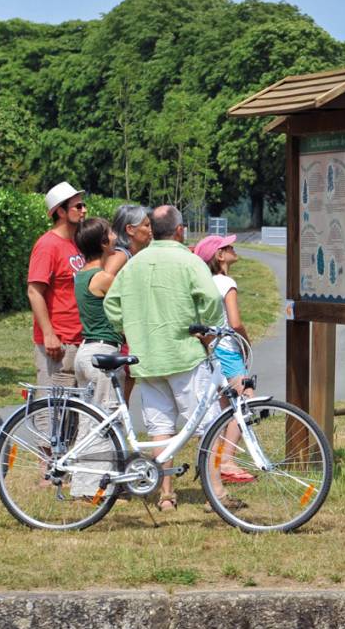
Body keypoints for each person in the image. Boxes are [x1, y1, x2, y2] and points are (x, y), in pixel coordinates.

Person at [103, 205, 227, 512]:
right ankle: (216, 493)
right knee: (207, 423)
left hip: (146, 357)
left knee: (160, 426)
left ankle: (166, 493)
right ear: (180, 230)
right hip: (184, 352)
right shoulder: (189, 260)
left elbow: (112, 304)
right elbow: (211, 299)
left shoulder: (135, 262)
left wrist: (130, 328)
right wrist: (207, 330)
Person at [194, 234, 255, 485]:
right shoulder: (226, 282)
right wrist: (246, 343)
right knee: (245, 402)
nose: (233, 248)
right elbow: (236, 321)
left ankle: (216, 461)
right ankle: (227, 460)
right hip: (229, 349)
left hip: (209, 350)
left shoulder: (203, 283)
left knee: (221, 408)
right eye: (227, 247)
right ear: (220, 256)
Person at [71, 217, 123, 497]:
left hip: (85, 351)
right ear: (103, 243)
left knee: (89, 421)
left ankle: (82, 484)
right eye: (111, 234)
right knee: (106, 420)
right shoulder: (103, 278)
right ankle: (100, 487)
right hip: (103, 352)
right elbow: (126, 307)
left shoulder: (80, 275)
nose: (115, 238)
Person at [28, 181, 87, 393]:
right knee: (52, 415)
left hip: (79, 339)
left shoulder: (77, 243)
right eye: (78, 206)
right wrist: (48, 334)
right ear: (61, 211)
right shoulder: (47, 245)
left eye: (83, 205)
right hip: (58, 343)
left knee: (73, 415)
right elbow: (34, 291)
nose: (84, 210)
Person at [105, 204, 152, 401]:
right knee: (120, 391)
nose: (151, 230)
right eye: (146, 225)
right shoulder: (121, 255)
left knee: (128, 382)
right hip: (118, 334)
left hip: (127, 332)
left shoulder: (134, 255)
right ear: (130, 230)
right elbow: (104, 278)